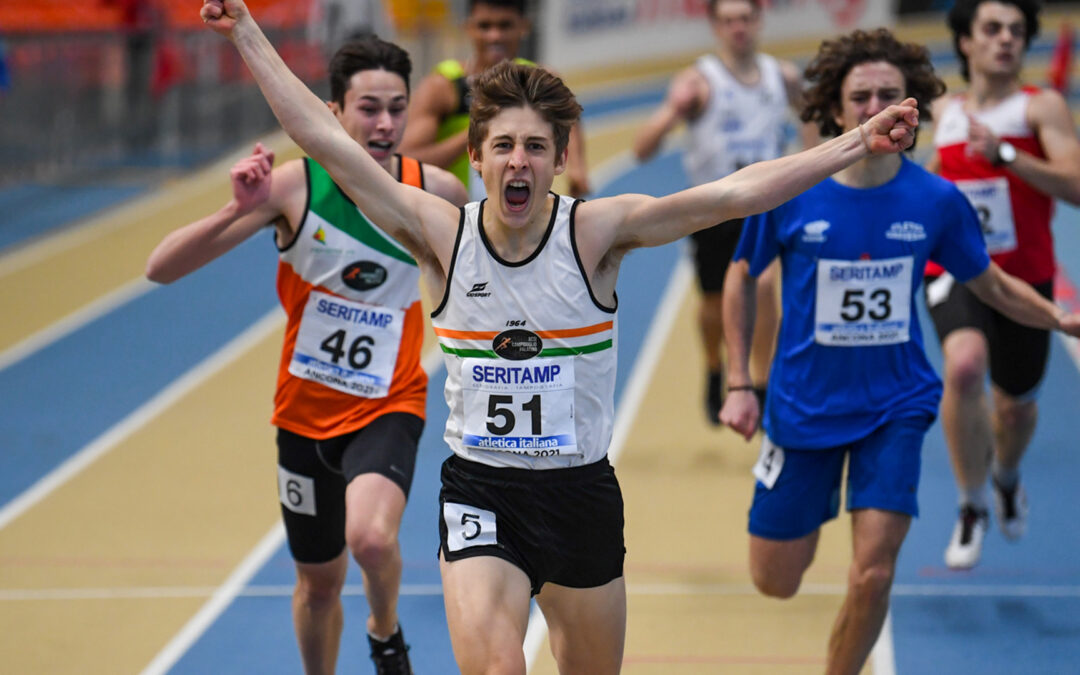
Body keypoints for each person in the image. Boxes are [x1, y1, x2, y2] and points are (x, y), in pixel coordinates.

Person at [198, 1, 920, 671]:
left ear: (559, 157)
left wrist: (854, 141)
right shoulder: (441, 234)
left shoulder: (596, 232)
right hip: (482, 491)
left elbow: (733, 194)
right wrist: (245, 31)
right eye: (504, 145)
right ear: (475, 159)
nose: (519, 161)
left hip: (580, 495)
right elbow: (320, 136)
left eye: (537, 147)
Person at [719, 28, 1080, 675]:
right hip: (804, 406)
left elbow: (989, 283)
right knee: (775, 578)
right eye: (862, 96)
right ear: (835, 108)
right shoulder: (791, 192)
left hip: (896, 404)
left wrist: (1057, 314)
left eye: (892, 93)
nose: (877, 106)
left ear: (914, 106)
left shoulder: (937, 200)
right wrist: (741, 382)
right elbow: (742, 276)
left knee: (874, 570)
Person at [145, 36, 467, 675]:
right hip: (302, 416)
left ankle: (384, 628)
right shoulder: (294, 186)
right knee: (318, 585)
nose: (383, 124)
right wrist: (235, 212)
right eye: (368, 107)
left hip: (389, 402)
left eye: (396, 109)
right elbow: (161, 268)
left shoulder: (434, 194)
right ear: (333, 112)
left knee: (371, 539)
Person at [926, 0, 1080, 569]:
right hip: (955, 270)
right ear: (966, 42)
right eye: (992, 29)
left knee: (1014, 409)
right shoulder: (942, 108)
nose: (1006, 39)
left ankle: (1007, 478)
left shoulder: (1040, 107)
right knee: (963, 367)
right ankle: (971, 505)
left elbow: (1076, 184)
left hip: (1024, 278)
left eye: (1017, 30)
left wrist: (1008, 155)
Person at [633, 0, 811, 423]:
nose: (738, 28)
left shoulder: (782, 76)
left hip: (765, 203)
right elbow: (642, 148)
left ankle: (762, 382)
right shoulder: (698, 79)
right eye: (728, 20)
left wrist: (809, 159)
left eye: (745, 18)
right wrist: (673, 110)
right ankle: (714, 366)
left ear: (758, 21)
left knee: (764, 287)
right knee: (714, 304)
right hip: (712, 207)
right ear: (715, 26)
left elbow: (812, 119)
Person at [397, 0, 590, 200]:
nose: (495, 36)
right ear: (468, 28)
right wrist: (478, 132)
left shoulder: (537, 79)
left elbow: (571, 119)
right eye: (484, 26)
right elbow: (406, 163)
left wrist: (577, 167)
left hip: (519, 212)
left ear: (524, 27)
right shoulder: (445, 87)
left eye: (505, 25)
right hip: (457, 217)